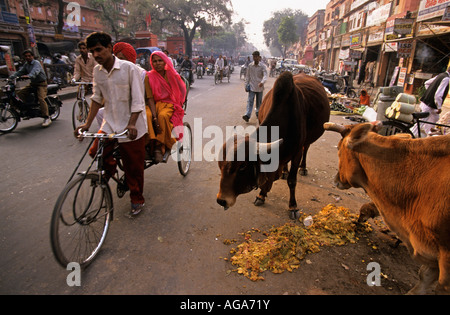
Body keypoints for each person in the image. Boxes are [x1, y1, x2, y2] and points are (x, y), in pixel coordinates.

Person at [75, 32, 148, 217]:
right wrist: (86, 124)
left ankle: (137, 199)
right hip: (110, 123)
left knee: (133, 167)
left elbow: (139, 101)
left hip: (133, 126)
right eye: (92, 52)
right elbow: (97, 99)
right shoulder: (97, 72)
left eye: (99, 50)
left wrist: (131, 124)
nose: (96, 55)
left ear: (109, 47)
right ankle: (109, 171)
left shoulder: (129, 68)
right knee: (95, 152)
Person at [145, 51, 186, 163]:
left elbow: (181, 90)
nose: (157, 63)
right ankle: (149, 143)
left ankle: (159, 145)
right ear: (151, 63)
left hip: (169, 103)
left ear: (165, 62)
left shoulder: (172, 75)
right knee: (147, 115)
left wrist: (180, 104)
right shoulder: (149, 76)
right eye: (155, 61)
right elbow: (149, 98)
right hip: (153, 103)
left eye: (160, 61)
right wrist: (154, 116)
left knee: (163, 116)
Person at [9, 49, 51, 127]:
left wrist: (29, 76)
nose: (28, 57)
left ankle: (46, 117)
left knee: (41, 98)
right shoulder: (26, 64)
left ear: (32, 56)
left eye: (29, 56)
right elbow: (20, 72)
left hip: (41, 84)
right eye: (26, 56)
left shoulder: (36, 63)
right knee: (19, 94)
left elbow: (35, 71)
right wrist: (10, 77)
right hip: (33, 84)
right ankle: (25, 109)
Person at [413, 66, 450, 136]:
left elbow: (426, 83)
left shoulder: (440, 75)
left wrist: (430, 93)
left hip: (428, 103)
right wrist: (439, 107)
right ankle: (408, 136)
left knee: (434, 119)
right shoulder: (446, 79)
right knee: (419, 124)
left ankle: (429, 136)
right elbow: (438, 95)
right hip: (429, 105)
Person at [242, 51, 267, 122]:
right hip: (252, 87)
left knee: (259, 102)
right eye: (254, 56)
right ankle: (247, 115)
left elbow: (265, 75)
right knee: (250, 101)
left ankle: (258, 113)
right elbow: (248, 76)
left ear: (259, 57)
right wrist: (246, 85)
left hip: (260, 87)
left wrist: (262, 82)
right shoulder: (250, 66)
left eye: (256, 56)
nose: (255, 58)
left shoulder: (262, 66)